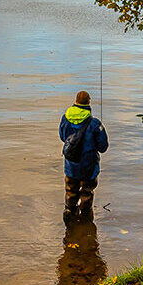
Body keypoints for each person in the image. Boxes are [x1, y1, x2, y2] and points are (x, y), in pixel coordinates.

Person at [59, 89, 108, 220]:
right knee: (87, 191)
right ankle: (86, 220)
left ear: (75, 102)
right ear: (88, 103)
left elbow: (63, 137)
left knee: (71, 190)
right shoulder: (94, 123)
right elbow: (103, 147)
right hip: (89, 165)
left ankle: (69, 214)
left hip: (71, 164)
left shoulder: (65, 118)